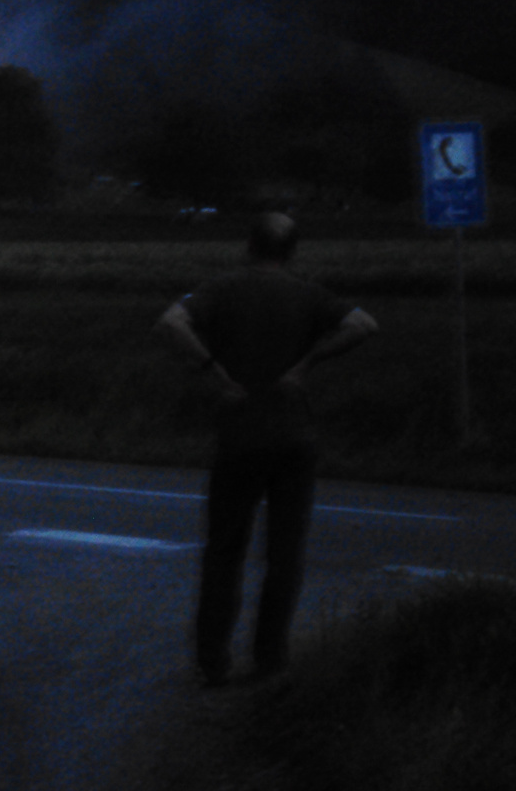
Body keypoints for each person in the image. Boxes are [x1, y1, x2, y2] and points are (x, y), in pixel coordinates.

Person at [153, 212, 378, 686]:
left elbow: (172, 322)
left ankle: (213, 660)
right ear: (292, 251)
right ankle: (269, 658)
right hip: (295, 439)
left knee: (224, 552)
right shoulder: (310, 294)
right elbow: (363, 325)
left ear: (249, 246)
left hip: (239, 437)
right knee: (285, 555)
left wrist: (214, 371)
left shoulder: (221, 289)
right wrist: (305, 365)